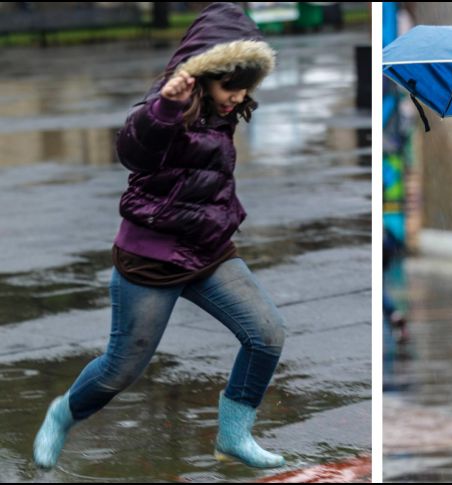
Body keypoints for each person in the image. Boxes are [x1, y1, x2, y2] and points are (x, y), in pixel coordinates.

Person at [33, 3, 287, 470]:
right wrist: (165, 107)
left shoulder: (223, 109)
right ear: (203, 74)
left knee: (266, 334)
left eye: (245, 87)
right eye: (230, 86)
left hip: (208, 251)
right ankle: (62, 414)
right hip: (151, 258)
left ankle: (234, 435)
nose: (237, 97)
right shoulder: (166, 106)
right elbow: (134, 150)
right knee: (120, 370)